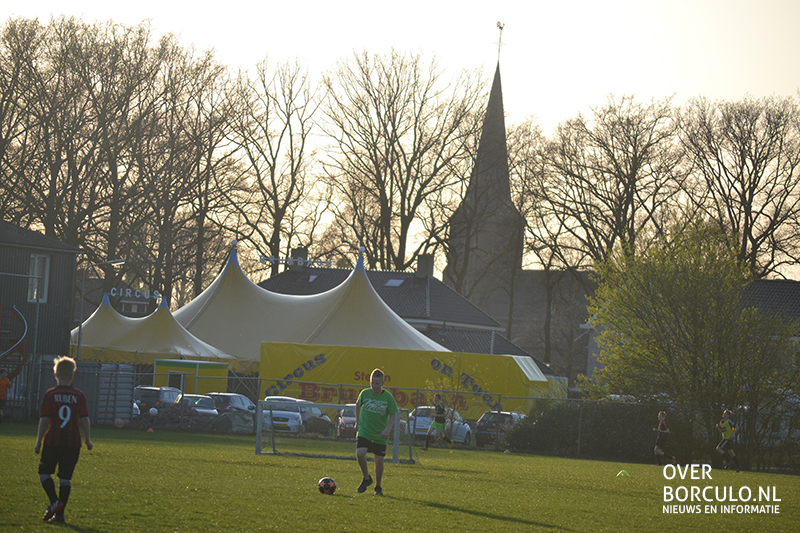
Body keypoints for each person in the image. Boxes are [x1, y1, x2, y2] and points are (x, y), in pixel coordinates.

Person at [34, 356, 93, 523]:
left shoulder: (50, 394)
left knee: (44, 473)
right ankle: (60, 515)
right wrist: (88, 439)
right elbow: (85, 419)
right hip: (73, 442)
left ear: (55, 374)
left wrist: (38, 441)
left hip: (53, 440)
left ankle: (55, 502)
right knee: (65, 478)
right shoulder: (78, 395)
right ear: (72, 376)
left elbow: (44, 419)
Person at [355, 368, 398, 496]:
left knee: (378, 460)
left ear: (382, 384)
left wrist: (388, 429)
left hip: (380, 434)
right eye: (372, 383)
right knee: (360, 453)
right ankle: (366, 477)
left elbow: (393, 415)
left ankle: (378, 487)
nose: (374, 386)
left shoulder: (388, 397)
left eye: (377, 383)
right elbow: (357, 404)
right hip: (365, 431)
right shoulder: (365, 393)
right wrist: (357, 422)